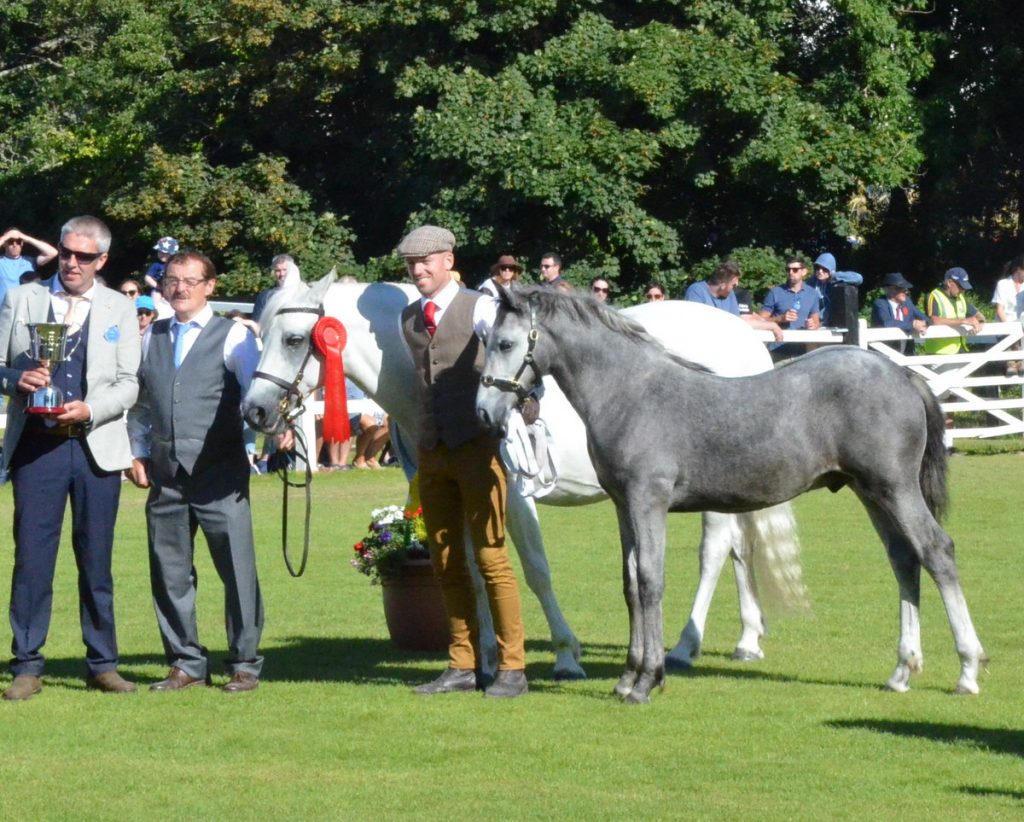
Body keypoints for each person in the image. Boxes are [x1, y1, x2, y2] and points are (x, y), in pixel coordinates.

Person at [0, 215, 140, 701]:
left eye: (84, 256)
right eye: (66, 252)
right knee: (32, 560)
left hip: (95, 447)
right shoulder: (22, 297)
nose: (73, 262)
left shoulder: (120, 308)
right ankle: (27, 665)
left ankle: (102, 663)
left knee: (96, 562)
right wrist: (14, 379)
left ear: (102, 260)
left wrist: (91, 409)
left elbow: (129, 383)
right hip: (36, 448)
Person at [398, 224, 527, 698]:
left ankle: (513, 668)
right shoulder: (409, 317)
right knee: (446, 561)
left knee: (492, 558)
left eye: (426, 261)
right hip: (433, 452)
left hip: (477, 446)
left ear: (449, 261)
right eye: (411, 263)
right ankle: (462, 664)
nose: (418, 269)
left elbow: (511, 354)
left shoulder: (482, 307)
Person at [127, 250, 265, 693]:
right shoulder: (152, 336)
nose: (180, 287)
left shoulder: (236, 337)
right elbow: (140, 406)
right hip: (165, 476)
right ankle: (185, 662)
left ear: (210, 286)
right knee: (169, 572)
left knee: (237, 571)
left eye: (190, 280)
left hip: (221, 474)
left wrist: (263, 439)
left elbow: (257, 398)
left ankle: (245, 662)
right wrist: (137, 452)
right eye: (172, 279)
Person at [684, 260, 783, 340]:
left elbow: (739, 323)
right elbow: (697, 324)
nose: (736, 287)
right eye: (733, 285)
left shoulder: (730, 295)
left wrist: (772, 326)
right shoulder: (696, 291)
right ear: (722, 285)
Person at [924, 267, 985, 355]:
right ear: (949, 283)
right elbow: (934, 320)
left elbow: (980, 316)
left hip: (960, 349)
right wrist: (964, 321)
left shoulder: (961, 298)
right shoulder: (933, 296)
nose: (963, 290)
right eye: (960, 286)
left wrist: (980, 323)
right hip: (939, 353)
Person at [870, 272, 930, 355]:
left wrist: (923, 324)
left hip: (906, 351)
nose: (906, 292)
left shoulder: (907, 302)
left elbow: (924, 318)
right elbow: (887, 323)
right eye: (902, 289)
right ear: (891, 290)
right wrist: (913, 324)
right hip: (884, 352)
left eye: (906, 290)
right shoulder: (880, 303)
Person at [0, 227, 59, 306]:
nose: (14, 245)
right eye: (10, 241)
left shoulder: (30, 262)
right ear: (4, 244)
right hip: (4, 311)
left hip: (26, 311)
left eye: (18, 241)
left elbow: (53, 252)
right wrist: (5, 237)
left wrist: (25, 237)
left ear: (22, 244)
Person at [808, 252, 863, 326]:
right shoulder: (811, 283)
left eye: (824, 269)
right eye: (817, 268)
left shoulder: (835, 280)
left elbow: (859, 278)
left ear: (831, 270)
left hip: (831, 324)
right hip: (813, 323)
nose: (820, 271)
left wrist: (835, 276)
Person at [991, 255, 1024, 375]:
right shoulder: (1003, 284)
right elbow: (1000, 309)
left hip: (1021, 328)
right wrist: (1008, 328)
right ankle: (1011, 362)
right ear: (1018, 270)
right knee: (1010, 362)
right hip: (1005, 326)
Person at [252, 253, 302, 326]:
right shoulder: (265, 297)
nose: (281, 274)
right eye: (278, 270)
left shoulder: (303, 294)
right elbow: (257, 324)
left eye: (285, 270)